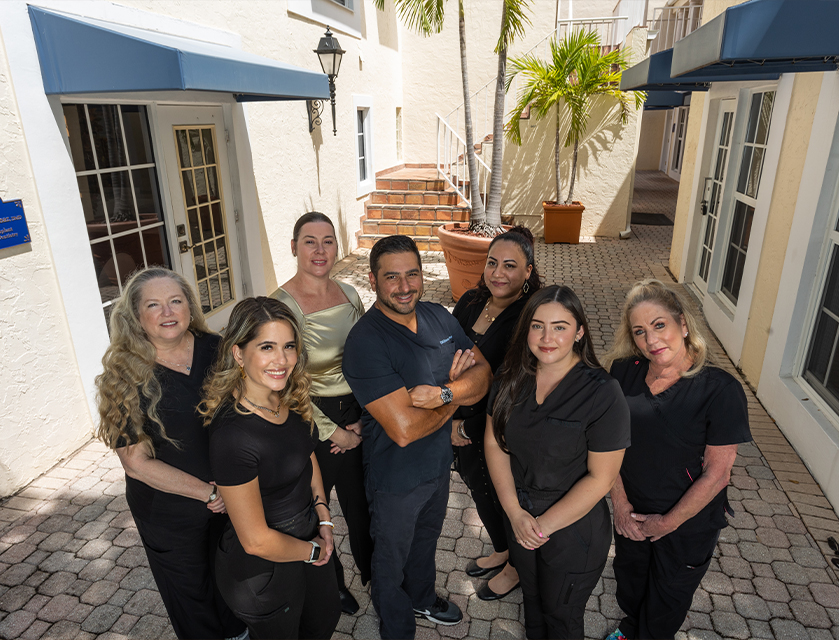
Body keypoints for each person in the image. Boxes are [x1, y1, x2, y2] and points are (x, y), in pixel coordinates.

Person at [342, 235, 493, 639]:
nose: (405, 286)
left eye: (412, 274)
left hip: (438, 465)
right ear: (373, 281)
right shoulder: (366, 342)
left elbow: (484, 374)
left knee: (427, 539)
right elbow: (404, 430)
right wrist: (457, 395)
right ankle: (396, 626)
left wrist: (444, 393)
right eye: (392, 277)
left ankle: (422, 597)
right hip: (395, 476)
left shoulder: (439, 317)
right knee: (390, 557)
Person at [95, 267, 245, 640]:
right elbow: (136, 464)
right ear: (136, 316)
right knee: (191, 596)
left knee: (234, 580)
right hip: (170, 511)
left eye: (175, 301)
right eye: (154, 305)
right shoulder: (124, 373)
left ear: (189, 307)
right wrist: (210, 494)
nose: (167, 312)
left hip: (232, 497)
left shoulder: (220, 350)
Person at [604, 280, 751, 640]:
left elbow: (717, 475)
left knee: (667, 599)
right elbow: (607, 446)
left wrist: (667, 523)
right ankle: (630, 628)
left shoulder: (720, 390)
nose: (651, 340)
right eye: (639, 331)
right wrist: (620, 504)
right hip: (632, 513)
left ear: (682, 325)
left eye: (659, 325)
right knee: (631, 585)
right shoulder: (624, 372)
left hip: (688, 523)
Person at [485, 285, 631, 640]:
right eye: (537, 326)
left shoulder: (602, 392)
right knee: (533, 606)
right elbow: (494, 442)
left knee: (560, 616)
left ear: (579, 331)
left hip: (572, 529)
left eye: (560, 327)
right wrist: (514, 512)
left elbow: (601, 479)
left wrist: (541, 527)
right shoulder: (510, 377)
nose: (547, 337)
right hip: (519, 515)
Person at [201, 297, 341, 640]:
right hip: (263, 573)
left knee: (324, 619)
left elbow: (308, 455)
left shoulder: (287, 396)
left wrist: (323, 515)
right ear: (238, 353)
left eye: (289, 346)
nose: (282, 360)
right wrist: (313, 552)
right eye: (267, 347)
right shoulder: (233, 435)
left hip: (307, 538)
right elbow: (255, 540)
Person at [271, 211, 373, 615]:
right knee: (318, 511)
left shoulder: (350, 294)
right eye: (309, 241)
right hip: (310, 417)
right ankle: (331, 585)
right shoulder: (280, 307)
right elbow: (282, 382)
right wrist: (335, 433)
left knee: (365, 507)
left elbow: (370, 358)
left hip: (358, 411)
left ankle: (376, 578)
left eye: (328, 240)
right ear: (294, 247)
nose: (319, 250)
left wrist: (366, 416)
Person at [450, 227, 542, 601]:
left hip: (498, 424)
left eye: (510, 265)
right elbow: (447, 350)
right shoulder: (472, 300)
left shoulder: (530, 314)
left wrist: (470, 422)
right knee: (479, 489)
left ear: (527, 272)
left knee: (506, 495)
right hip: (457, 413)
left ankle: (518, 567)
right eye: (492, 263)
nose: (498, 273)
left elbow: (517, 382)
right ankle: (505, 551)